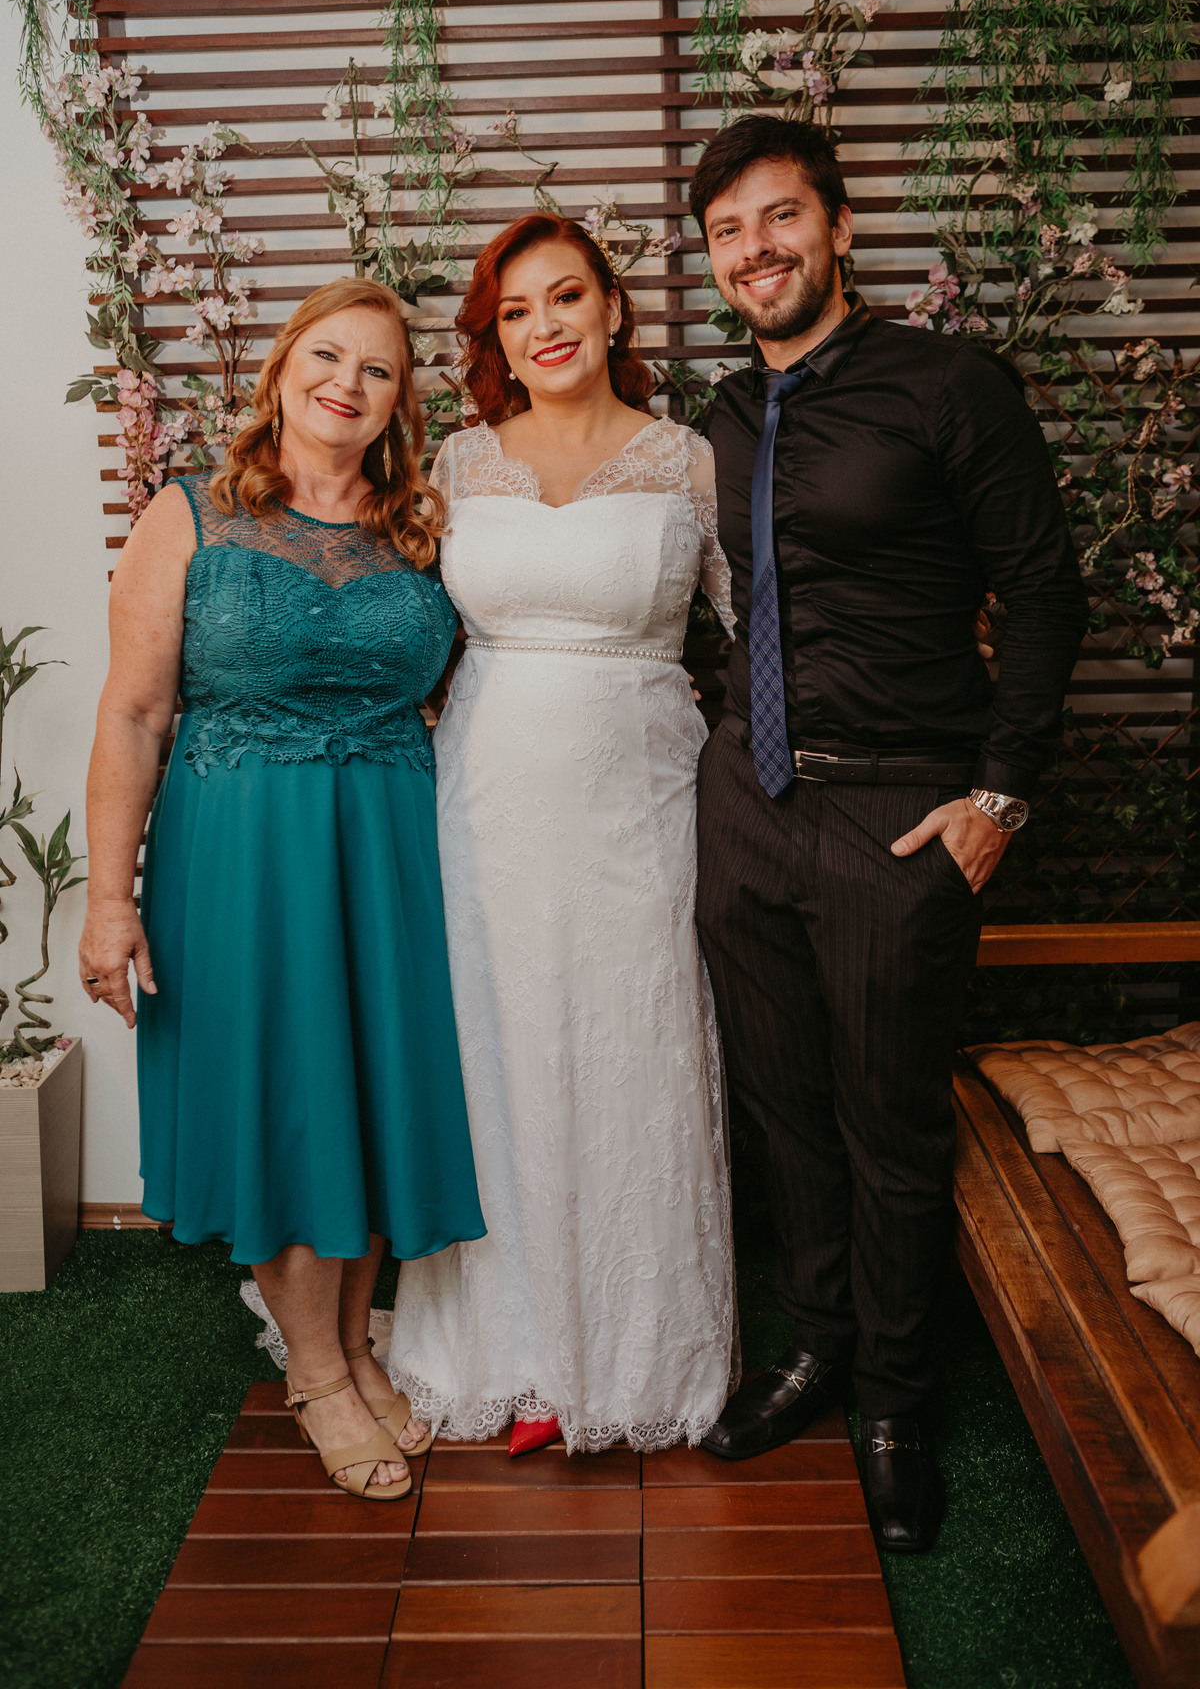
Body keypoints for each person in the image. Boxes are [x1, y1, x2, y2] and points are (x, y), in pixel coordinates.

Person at [690, 116, 1089, 1549]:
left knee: (891, 1123)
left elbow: (1045, 592)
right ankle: (819, 1347)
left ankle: (898, 1401)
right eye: (728, 232)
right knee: (785, 1107)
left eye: (781, 216)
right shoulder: (720, 418)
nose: (757, 250)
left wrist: (999, 798)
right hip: (747, 806)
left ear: (841, 227)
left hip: (900, 817)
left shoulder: (949, 384)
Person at [79, 278, 485, 1502]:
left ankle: (354, 1344)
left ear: (400, 403)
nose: (347, 383)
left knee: (368, 1092)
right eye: (328, 355)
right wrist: (109, 900)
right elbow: (134, 713)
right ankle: (314, 1371)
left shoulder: (425, 531)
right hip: (242, 856)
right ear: (281, 367)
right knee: (288, 1097)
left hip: (389, 851)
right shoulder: (190, 515)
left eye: (377, 369)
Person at [388, 214, 737, 1454]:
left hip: (641, 798)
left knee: (634, 1048)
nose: (546, 326)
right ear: (497, 336)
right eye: (518, 310)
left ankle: (635, 1353)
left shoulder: (688, 460)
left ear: (612, 308)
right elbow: (404, 634)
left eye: (567, 296)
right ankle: (515, 1352)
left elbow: (766, 640)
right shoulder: (459, 463)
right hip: (483, 803)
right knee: (501, 1053)